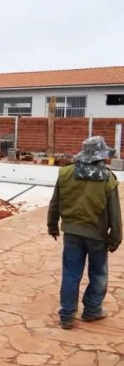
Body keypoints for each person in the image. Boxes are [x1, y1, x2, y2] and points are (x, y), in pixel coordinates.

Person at [47, 135, 122, 330]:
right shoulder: (107, 178)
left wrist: (52, 225)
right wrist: (115, 237)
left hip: (71, 233)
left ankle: (67, 316)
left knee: (71, 273)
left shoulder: (65, 173)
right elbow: (114, 213)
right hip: (96, 235)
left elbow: (55, 203)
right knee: (98, 273)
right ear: (101, 156)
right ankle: (92, 310)